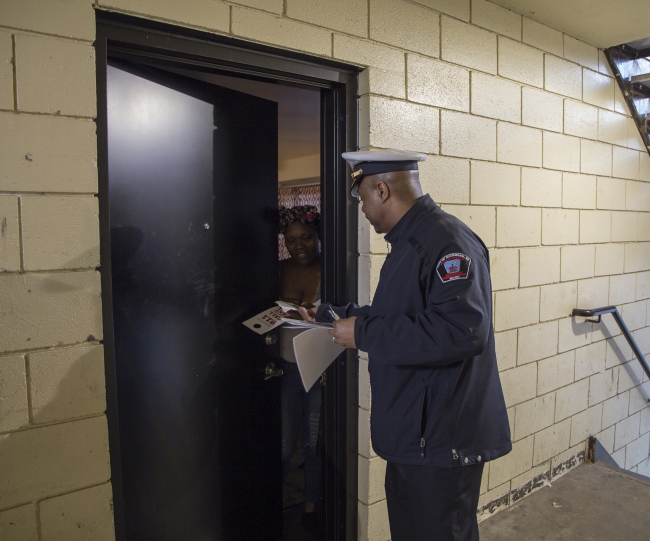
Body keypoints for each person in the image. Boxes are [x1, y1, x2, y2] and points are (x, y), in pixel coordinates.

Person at [299, 150, 512, 541]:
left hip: (440, 440)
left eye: (361, 198)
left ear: (382, 190)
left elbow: (463, 330)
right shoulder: (412, 241)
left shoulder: (444, 240)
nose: (361, 209)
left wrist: (361, 334)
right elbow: (402, 315)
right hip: (416, 437)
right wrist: (331, 315)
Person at [278, 205, 322, 532]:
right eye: (291, 240)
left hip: (321, 370)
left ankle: (310, 509)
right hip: (285, 368)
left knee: (314, 443)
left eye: (306, 237)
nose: (299, 246)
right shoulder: (277, 270)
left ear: (318, 236)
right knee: (281, 441)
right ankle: (273, 503)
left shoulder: (331, 269)